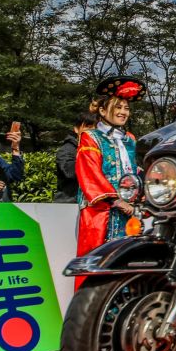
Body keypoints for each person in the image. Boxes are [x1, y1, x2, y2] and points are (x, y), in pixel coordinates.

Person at [75, 77, 146, 278]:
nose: (124, 112)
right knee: (98, 260)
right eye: (118, 107)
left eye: (126, 108)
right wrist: (116, 200)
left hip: (128, 211)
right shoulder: (90, 137)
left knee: (127, 260)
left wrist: (142, 194)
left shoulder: (129, 139)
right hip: (101, 211)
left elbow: (133, 171)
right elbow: (89, 173)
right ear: (103, 111)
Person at [55, 111, 97, 203]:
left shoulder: (99, 150)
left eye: (95, 128)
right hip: (69, 205)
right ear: (76, 129)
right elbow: (70, 172)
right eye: (88, 127)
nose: (92, 131)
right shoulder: (67, 149)